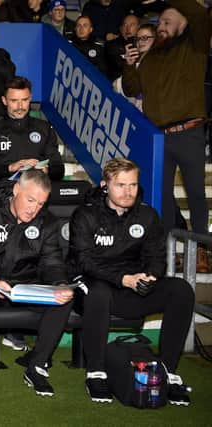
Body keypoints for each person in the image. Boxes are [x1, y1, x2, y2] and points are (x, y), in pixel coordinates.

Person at [69, 158, 195, 406]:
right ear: (105, 185)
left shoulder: (147, 215)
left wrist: (150, 276)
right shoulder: (85, 214)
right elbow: (83, 262)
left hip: (132, 288)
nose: (128, 192)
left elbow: (156, 257)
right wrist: (123, 279)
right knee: (98, 291)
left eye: (133, 185)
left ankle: (167, 371)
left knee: (181, 290)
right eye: (121, 185)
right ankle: (96, 372)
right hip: (94, 288)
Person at [0, 170, 74, 399]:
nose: (34, 208)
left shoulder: (47, 221)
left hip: (25, 287)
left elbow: (52, 262)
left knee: (63, 298)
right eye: (30, 200)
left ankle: (36, 366)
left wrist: (59, 283)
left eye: (40, 203)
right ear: (16, 191)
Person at [122, 0, 210, 272]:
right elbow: (130, 88)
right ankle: (168, 253)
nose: (161, 26)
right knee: (162, 198)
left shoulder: (194, 46)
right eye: (159, 22)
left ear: (184, 25)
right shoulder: (152, 58)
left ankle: (204, 251)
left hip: (189, 132)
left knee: (195, 193)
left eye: (167, 22)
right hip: (159, 138)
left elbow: (198, 12)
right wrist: (129, 65)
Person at [0, 76, 64, 180]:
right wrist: (9, 168)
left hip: (36, 190)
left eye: (24, 100)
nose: (20, 106)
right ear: (4, 101)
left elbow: (59, 170)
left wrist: (45, 171)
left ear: (30, 98)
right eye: (14, 101)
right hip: (3, 191)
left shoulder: (44, 128)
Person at [112, 23, 155, 110]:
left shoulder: (162, 62)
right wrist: (129, 65)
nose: (140, 42)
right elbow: (129, 91)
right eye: (138, 39)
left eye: (145, 38)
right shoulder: (135, 62)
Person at [104, 14, 140, 81]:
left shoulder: (143, 45)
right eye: (125, 25)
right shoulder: (111, 46)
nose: (128, 29)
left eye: (132, 25)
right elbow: (117, 66)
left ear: (138, 28)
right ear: (121, 28)